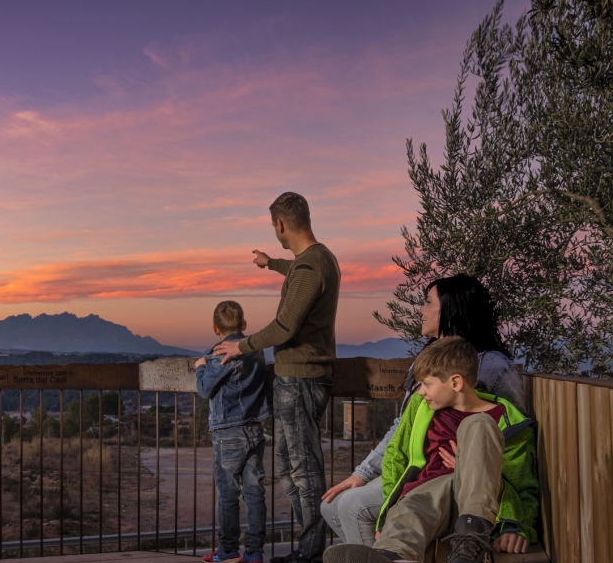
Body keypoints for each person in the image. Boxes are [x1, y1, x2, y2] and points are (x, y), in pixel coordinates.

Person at [320, 274, 528, 549]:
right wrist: (362, 473)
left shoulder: (493, 366)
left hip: (450, 479)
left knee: (351, 506)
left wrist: (476, 467)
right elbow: (403, 426)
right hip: (415, 468)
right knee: (330, 505)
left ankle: (387, 554)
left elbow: (512, 432)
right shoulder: (427, 360)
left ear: (451, 310)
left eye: (428, 302)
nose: (420, 310)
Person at [323, 336, 538, 563]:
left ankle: (469, 540)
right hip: (428, 497)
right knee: (410, 507)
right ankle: (393, 555)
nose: (421, 392)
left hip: (479, 504)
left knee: (479, 423)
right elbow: (396, 456)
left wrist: (516, 527)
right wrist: (386, 513)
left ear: (455, 383)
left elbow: (523, 484)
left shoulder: (507, 421)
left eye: (427, 384)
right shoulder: (421, 408)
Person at [215, 192, 341, 563]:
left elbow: (285, 326)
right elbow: (297, 271)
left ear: (280, 225)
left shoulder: (310, 266)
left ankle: (311, 553)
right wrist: (271, 263)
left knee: (303, 469)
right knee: (287, 466)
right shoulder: (317, 260)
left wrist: (241, 346)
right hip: (296, 379)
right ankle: (308, 547)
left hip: (301, 379)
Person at [196, 301, 270, 563]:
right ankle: (254, 552)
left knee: (228, 495)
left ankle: (228, 550)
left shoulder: (220, 354)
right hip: (254, 428)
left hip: (228, 431)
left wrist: (201, 366)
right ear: (244, 324)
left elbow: (205, 389)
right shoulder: (256, 351)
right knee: (254, 492)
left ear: (215, 328)